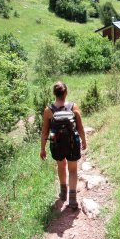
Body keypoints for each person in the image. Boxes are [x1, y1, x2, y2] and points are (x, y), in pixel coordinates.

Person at [40, 81, 87, 209]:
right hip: (73, 143)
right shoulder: (73, 107)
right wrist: (84, 140)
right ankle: (72, 199)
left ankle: (63, 193)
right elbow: (80, 127)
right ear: (66, 92)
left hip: (57, 144)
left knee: (61, 167)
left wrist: (42, 148)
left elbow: (45, 132)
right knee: (73, 169)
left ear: (54, 94)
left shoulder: (48, 111)